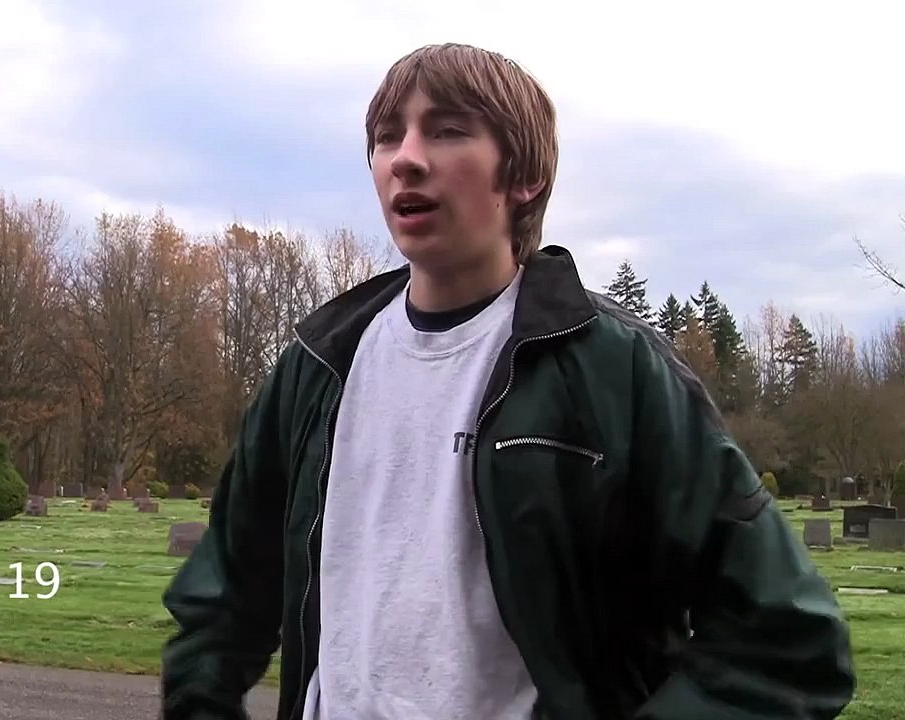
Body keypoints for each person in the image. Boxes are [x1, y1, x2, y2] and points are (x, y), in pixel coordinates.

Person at [159, 43, 856, 720]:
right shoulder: (318, 364)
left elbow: (789, 640)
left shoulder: (616, 370)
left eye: (448, 130)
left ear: (522, 178)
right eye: (385, 137)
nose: (405, 158)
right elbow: (223, 601)